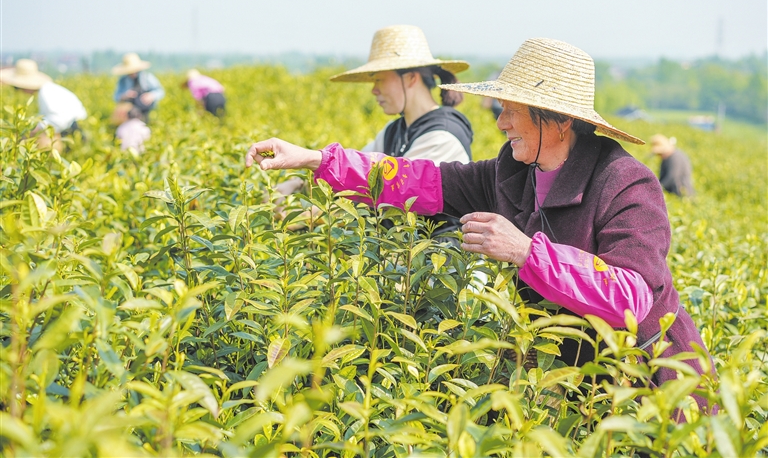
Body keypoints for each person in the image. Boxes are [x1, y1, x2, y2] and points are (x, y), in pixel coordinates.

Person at [245, 38, 715, 412]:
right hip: (575, 379)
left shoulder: (626, 183)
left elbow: (631, 295)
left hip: (654, 387)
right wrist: (314, 159)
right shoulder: (512, 172)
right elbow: (420, 179)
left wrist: (527, 252)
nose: (501, 122)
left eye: (512, 109)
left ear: (560, 120)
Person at [278, 24, 474, 240]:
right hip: (404, 258)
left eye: (379, 79)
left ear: (410, 78)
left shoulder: (443, 134)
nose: (374, 89)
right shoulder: (394, 131)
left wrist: (313, 215)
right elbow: (357, 171)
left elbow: (393, 191)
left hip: (443, 260)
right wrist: (300, 184)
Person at [0, 58, 87, 152]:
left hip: (72, 131)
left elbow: (59, 119)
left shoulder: (46, 92)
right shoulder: (46, 90)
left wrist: (36, 128)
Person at [112, 53, 165, 122]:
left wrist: (151, 95)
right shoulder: (123, 81)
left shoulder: (147, 77)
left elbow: (160, 91)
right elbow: (116, 97)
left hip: (146, 110)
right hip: (128, 112)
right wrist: (125, 95)